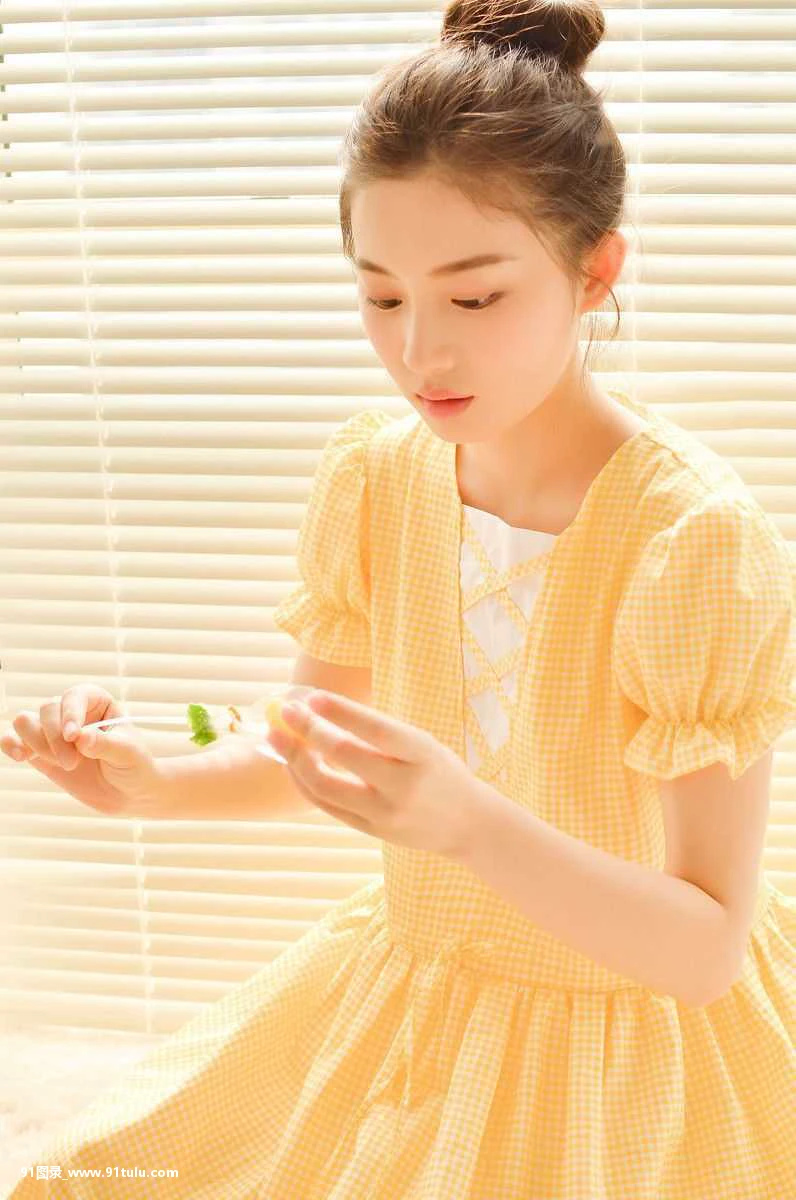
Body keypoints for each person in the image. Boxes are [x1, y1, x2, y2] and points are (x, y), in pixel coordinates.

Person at [7, 0, 796, 1196]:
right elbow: (312, 753)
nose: (420, 352)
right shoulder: (377, 479)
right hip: (413, 998)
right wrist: (148, 780)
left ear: (596, 271)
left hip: (624, 1054)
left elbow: (701, 950)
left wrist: (467, 821)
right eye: (381, 297)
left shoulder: (691, 542)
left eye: (473, 299)